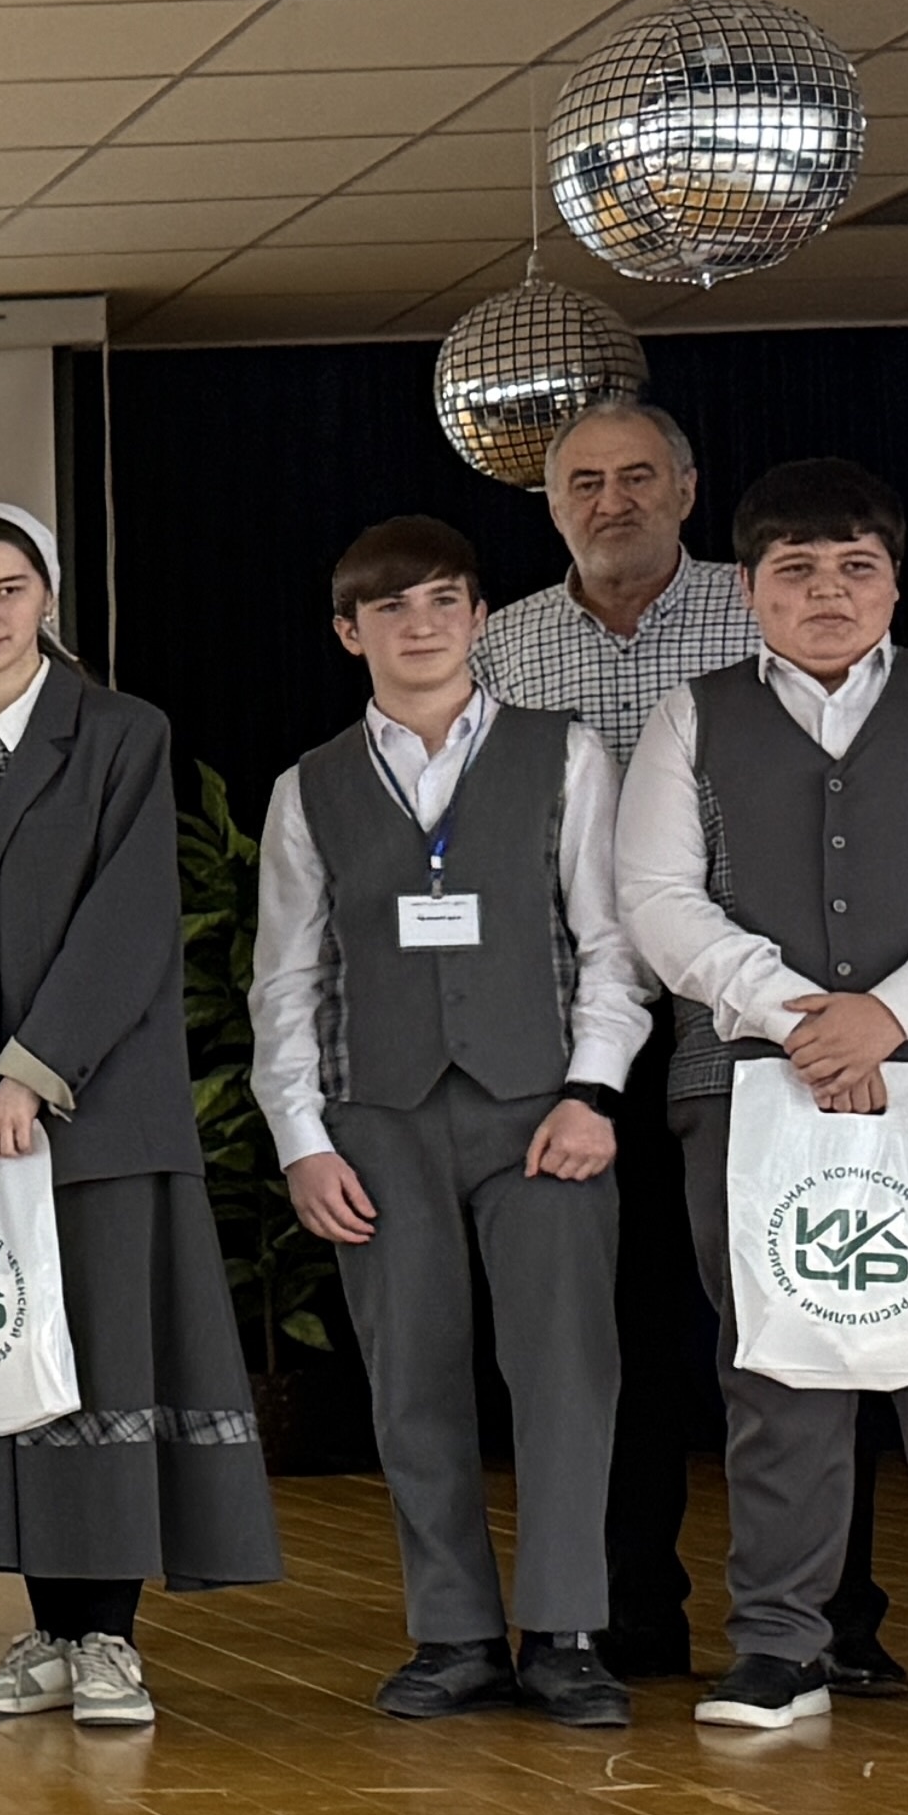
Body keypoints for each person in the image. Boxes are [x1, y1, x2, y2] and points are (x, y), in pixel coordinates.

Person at [611, 460, 908, 1743]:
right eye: (798, 570)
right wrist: (797, 1020)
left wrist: (894, 1011)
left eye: (856, 567)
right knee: (778, 1369)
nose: (828, 592)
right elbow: (656, 898)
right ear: (749, 589)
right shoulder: (690, 718)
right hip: (753, 1087)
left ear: (893, 581)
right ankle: (780, 1646)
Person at [471, 397, 892, 1689]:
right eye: (586, 482)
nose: (614, 501)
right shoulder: (500, 647)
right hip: (577, 1046)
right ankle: (625, 1613)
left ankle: (835, 1619)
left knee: (803, 1315)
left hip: (760, 1024)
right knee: (606, 1334)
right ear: (553, 504)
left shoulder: (763, 610)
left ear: (688, 489)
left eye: (638, 476)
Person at [251, 515, 652, 1731]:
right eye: (390, 607)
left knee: (566, 1372)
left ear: (480, 617)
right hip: (378, 1120)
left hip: (543, 1112)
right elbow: (286, 980)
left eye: (441, 602)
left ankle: (568, 1633)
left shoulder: (565, 752)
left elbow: (612, 942)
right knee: (411, 1381)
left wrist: (594, 1090)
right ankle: (455, 1634)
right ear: (349, 632)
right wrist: (302, 1138)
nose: (418, 626)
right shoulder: (309, 787)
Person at [0, 506, 277, 1732]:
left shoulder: (120, 732)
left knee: (103, 1370)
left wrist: (33, 1071)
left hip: (95, 1117)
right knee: (4, 1369)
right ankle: (47, 1636)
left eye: (8, 589)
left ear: (47, 598)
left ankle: (107, 1638)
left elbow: (128, 919)